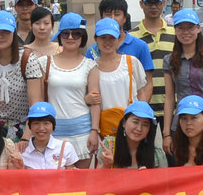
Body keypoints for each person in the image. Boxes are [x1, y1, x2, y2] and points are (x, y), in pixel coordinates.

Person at [162, 10, 203, 149]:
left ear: (198, 28)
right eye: (181, 28)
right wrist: (166, 133)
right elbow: (169, 98)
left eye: (190, 27)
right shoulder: (170, 60)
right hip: (181, 123)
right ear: (175, 30)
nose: (186, 32)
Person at [41, 14, 101, 165]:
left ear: (83, 37)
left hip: (82, 133)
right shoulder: (44, 63)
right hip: (53, 133)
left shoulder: (90, 65)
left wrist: (94, 131)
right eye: (65, 33)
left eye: (76, 33)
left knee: (81, 179)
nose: (70, 37)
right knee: (55, 179)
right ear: (59, 36)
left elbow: (95, 101)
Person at [90, 18, 149, 149]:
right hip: (105, 130)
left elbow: (141, 93)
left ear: (118, 39)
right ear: (96, 39)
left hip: (132, 128)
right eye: (103, 38)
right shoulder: (91, 67)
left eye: (112, 38)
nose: (107, 42)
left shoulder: (131, 62)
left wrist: (144, 120)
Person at [135, 0, 175, 111]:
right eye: (149, 3)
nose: (153, 7)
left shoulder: (176, 33)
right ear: (141, 4)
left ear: (163, 3)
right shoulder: (131, 37)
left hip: (173, 106)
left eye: (157, 3)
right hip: (143, 106)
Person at [98, 101, 168, 169]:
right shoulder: (109, 146)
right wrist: (106, 165)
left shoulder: (156, 154)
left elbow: (164, 176)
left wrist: (148, 175)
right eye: (135, 122)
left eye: (145, 124)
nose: (139, 128)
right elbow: (97, 176)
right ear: (124, 123)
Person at [19, 102, 78, 169]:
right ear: (29, 126)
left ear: (53, 125)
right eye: (36, 123)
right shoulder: (21, 150)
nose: (41, 128)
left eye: (46, 123)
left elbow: (70, 171)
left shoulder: (65, 147)